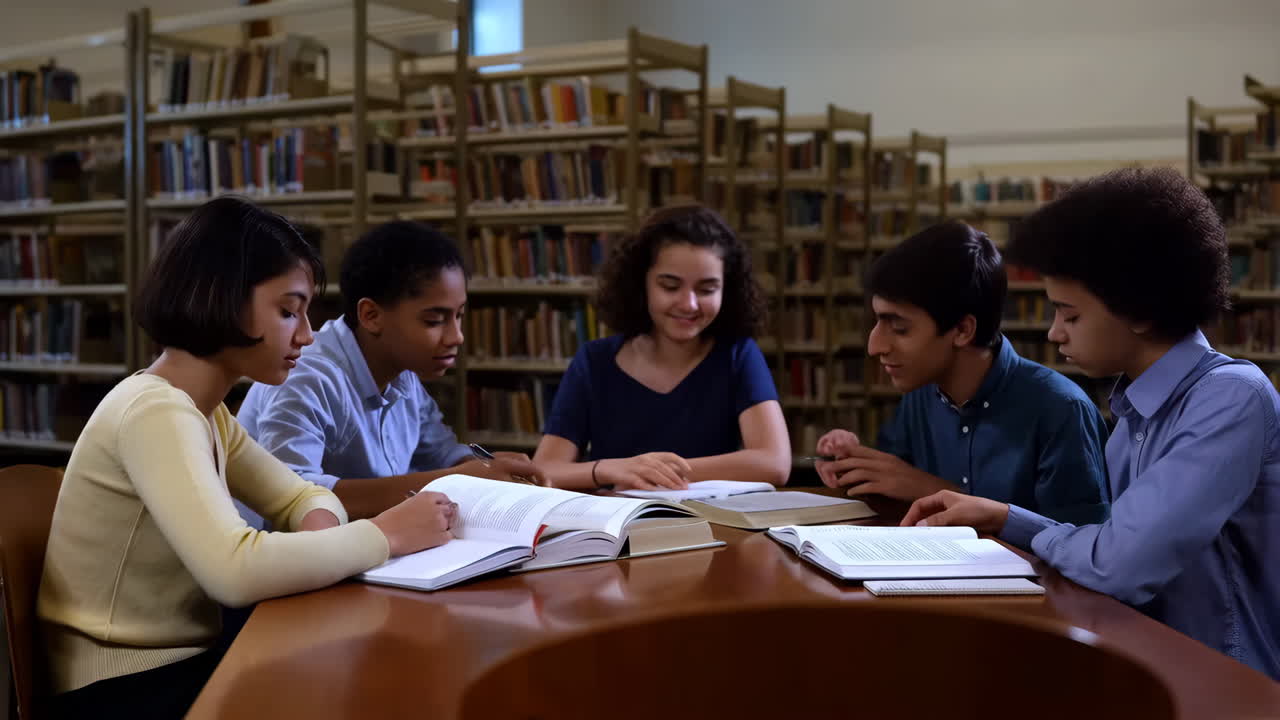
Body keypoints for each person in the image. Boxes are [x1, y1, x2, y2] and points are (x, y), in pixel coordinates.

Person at [37, 197, 457, 719]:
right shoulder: (155, 411)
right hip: (121, 689)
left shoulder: (206, 413)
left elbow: (301, 493)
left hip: (178, 662)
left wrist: (324, 530)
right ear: (223, 299)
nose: (305, 335)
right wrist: (387, 534)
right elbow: (234, 571)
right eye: (288, 311)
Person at [902, 168, 1280, 680]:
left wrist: (1036, 534)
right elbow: (1112, 543)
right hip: (1155, 665)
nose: (1055, 333)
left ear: (1141, 309)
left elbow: (1117, 564)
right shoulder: (1130, 415)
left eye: (1070, 315)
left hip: (1229, 685)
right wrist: (1004, 517)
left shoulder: (1230, 398)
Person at [237, 221, 545, 525]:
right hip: (281, 560)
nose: (457, 337)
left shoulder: (403, 374)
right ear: (371, 316)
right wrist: (451, 480)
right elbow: (291, 498)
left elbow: (441, 454)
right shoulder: (307, 375)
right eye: (434, 321)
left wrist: (482, 466)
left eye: (459, 316)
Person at [813, 221, 1109, 524]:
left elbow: (1084, 548)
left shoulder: (1062, 411)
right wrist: (852, 464)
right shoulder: (920, 395)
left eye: (899, 327)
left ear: (963, 330)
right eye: (877, 322)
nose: (874, 346)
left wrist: (934, 490)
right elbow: (896, 487)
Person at [533, 205, 790, 490]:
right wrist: (613, 469)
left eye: (706, 290)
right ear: (642, 284)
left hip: (710, 527)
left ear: (726, 291)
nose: (689, 304)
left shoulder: (737, 354)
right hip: (614, 529)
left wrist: (653, 472)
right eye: (670, 286)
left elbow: (775, 463)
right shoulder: (595, 361)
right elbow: (544, 470)